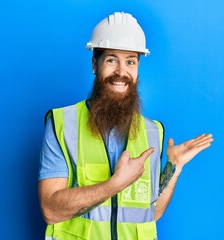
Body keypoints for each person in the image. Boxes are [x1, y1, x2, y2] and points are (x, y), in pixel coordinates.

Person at [38, 12, 213, 240]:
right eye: (111, 60)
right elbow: (50, 210)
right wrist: (114, 185)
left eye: (130, 61)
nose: (121, 72)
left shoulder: (153, 132)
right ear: (95, 64)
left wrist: (173, 167)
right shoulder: (62, 123)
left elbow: (150, 213)